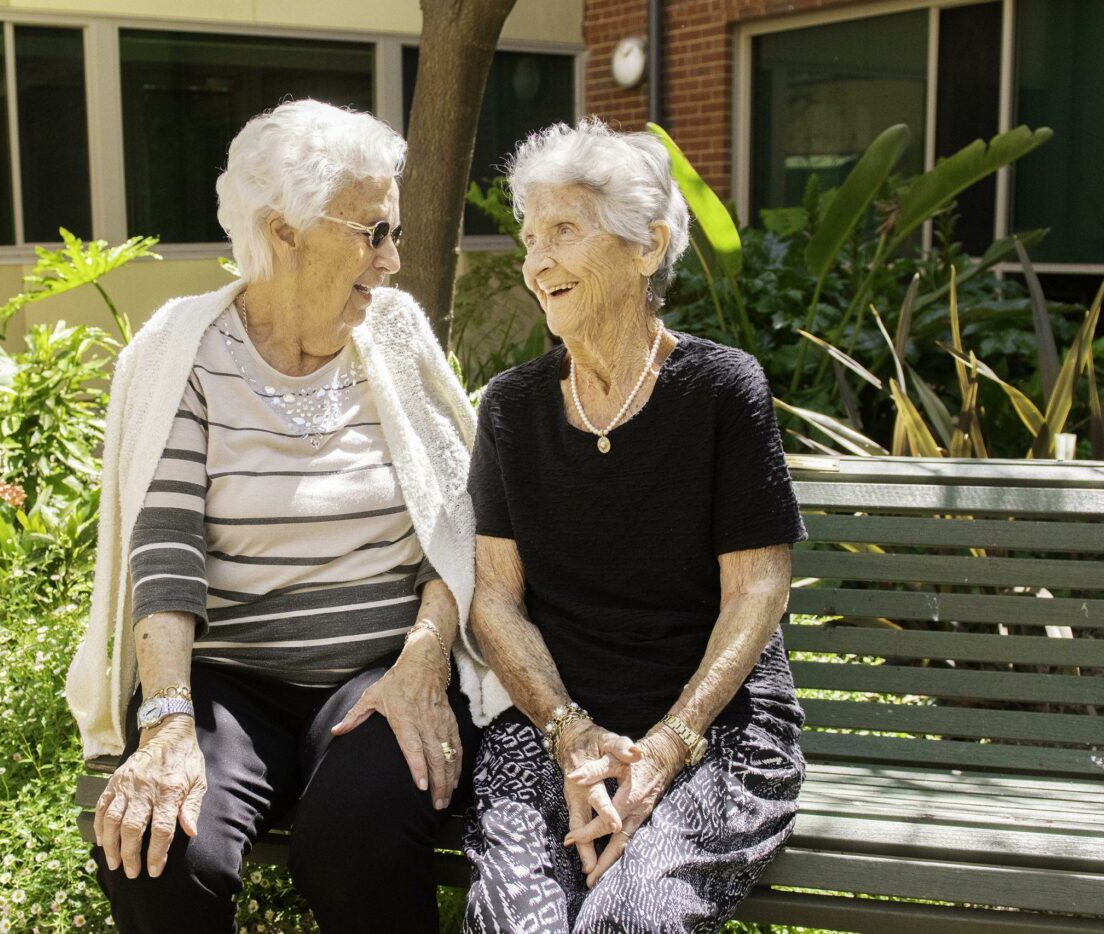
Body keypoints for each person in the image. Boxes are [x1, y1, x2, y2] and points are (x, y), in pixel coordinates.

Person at [63, 100, 482, 934]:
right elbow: (167, 551)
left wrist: (424, 662)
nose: (393, 260)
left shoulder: (393, 338)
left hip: (381, 673)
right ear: (283, 229)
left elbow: (458, 533)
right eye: (374, 232)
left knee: (353, 836)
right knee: (156, 850)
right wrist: (169, 718)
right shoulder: (184, 351)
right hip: (232, 686)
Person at [460, 119, 807, 933]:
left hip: (715, 730)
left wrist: (664, 747)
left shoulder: (722, 390)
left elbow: (758, 589)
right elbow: (495, 599)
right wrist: (572, 737)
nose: (536, 262)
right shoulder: (511, 407)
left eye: (564, 232)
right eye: (530, 238)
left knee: (632, 921)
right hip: (555, 724)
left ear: (647, 248)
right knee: (517, 923)